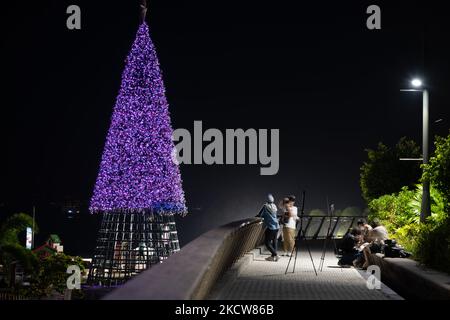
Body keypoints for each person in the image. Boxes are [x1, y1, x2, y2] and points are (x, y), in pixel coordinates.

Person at [259, 194, 280, 262]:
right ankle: (273, 257)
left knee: (267, 242)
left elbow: (259, 215)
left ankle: (275, 254)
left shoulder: (265, 206)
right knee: (274, 241)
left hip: (271, 227)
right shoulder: (274, 206)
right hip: (277, 226)